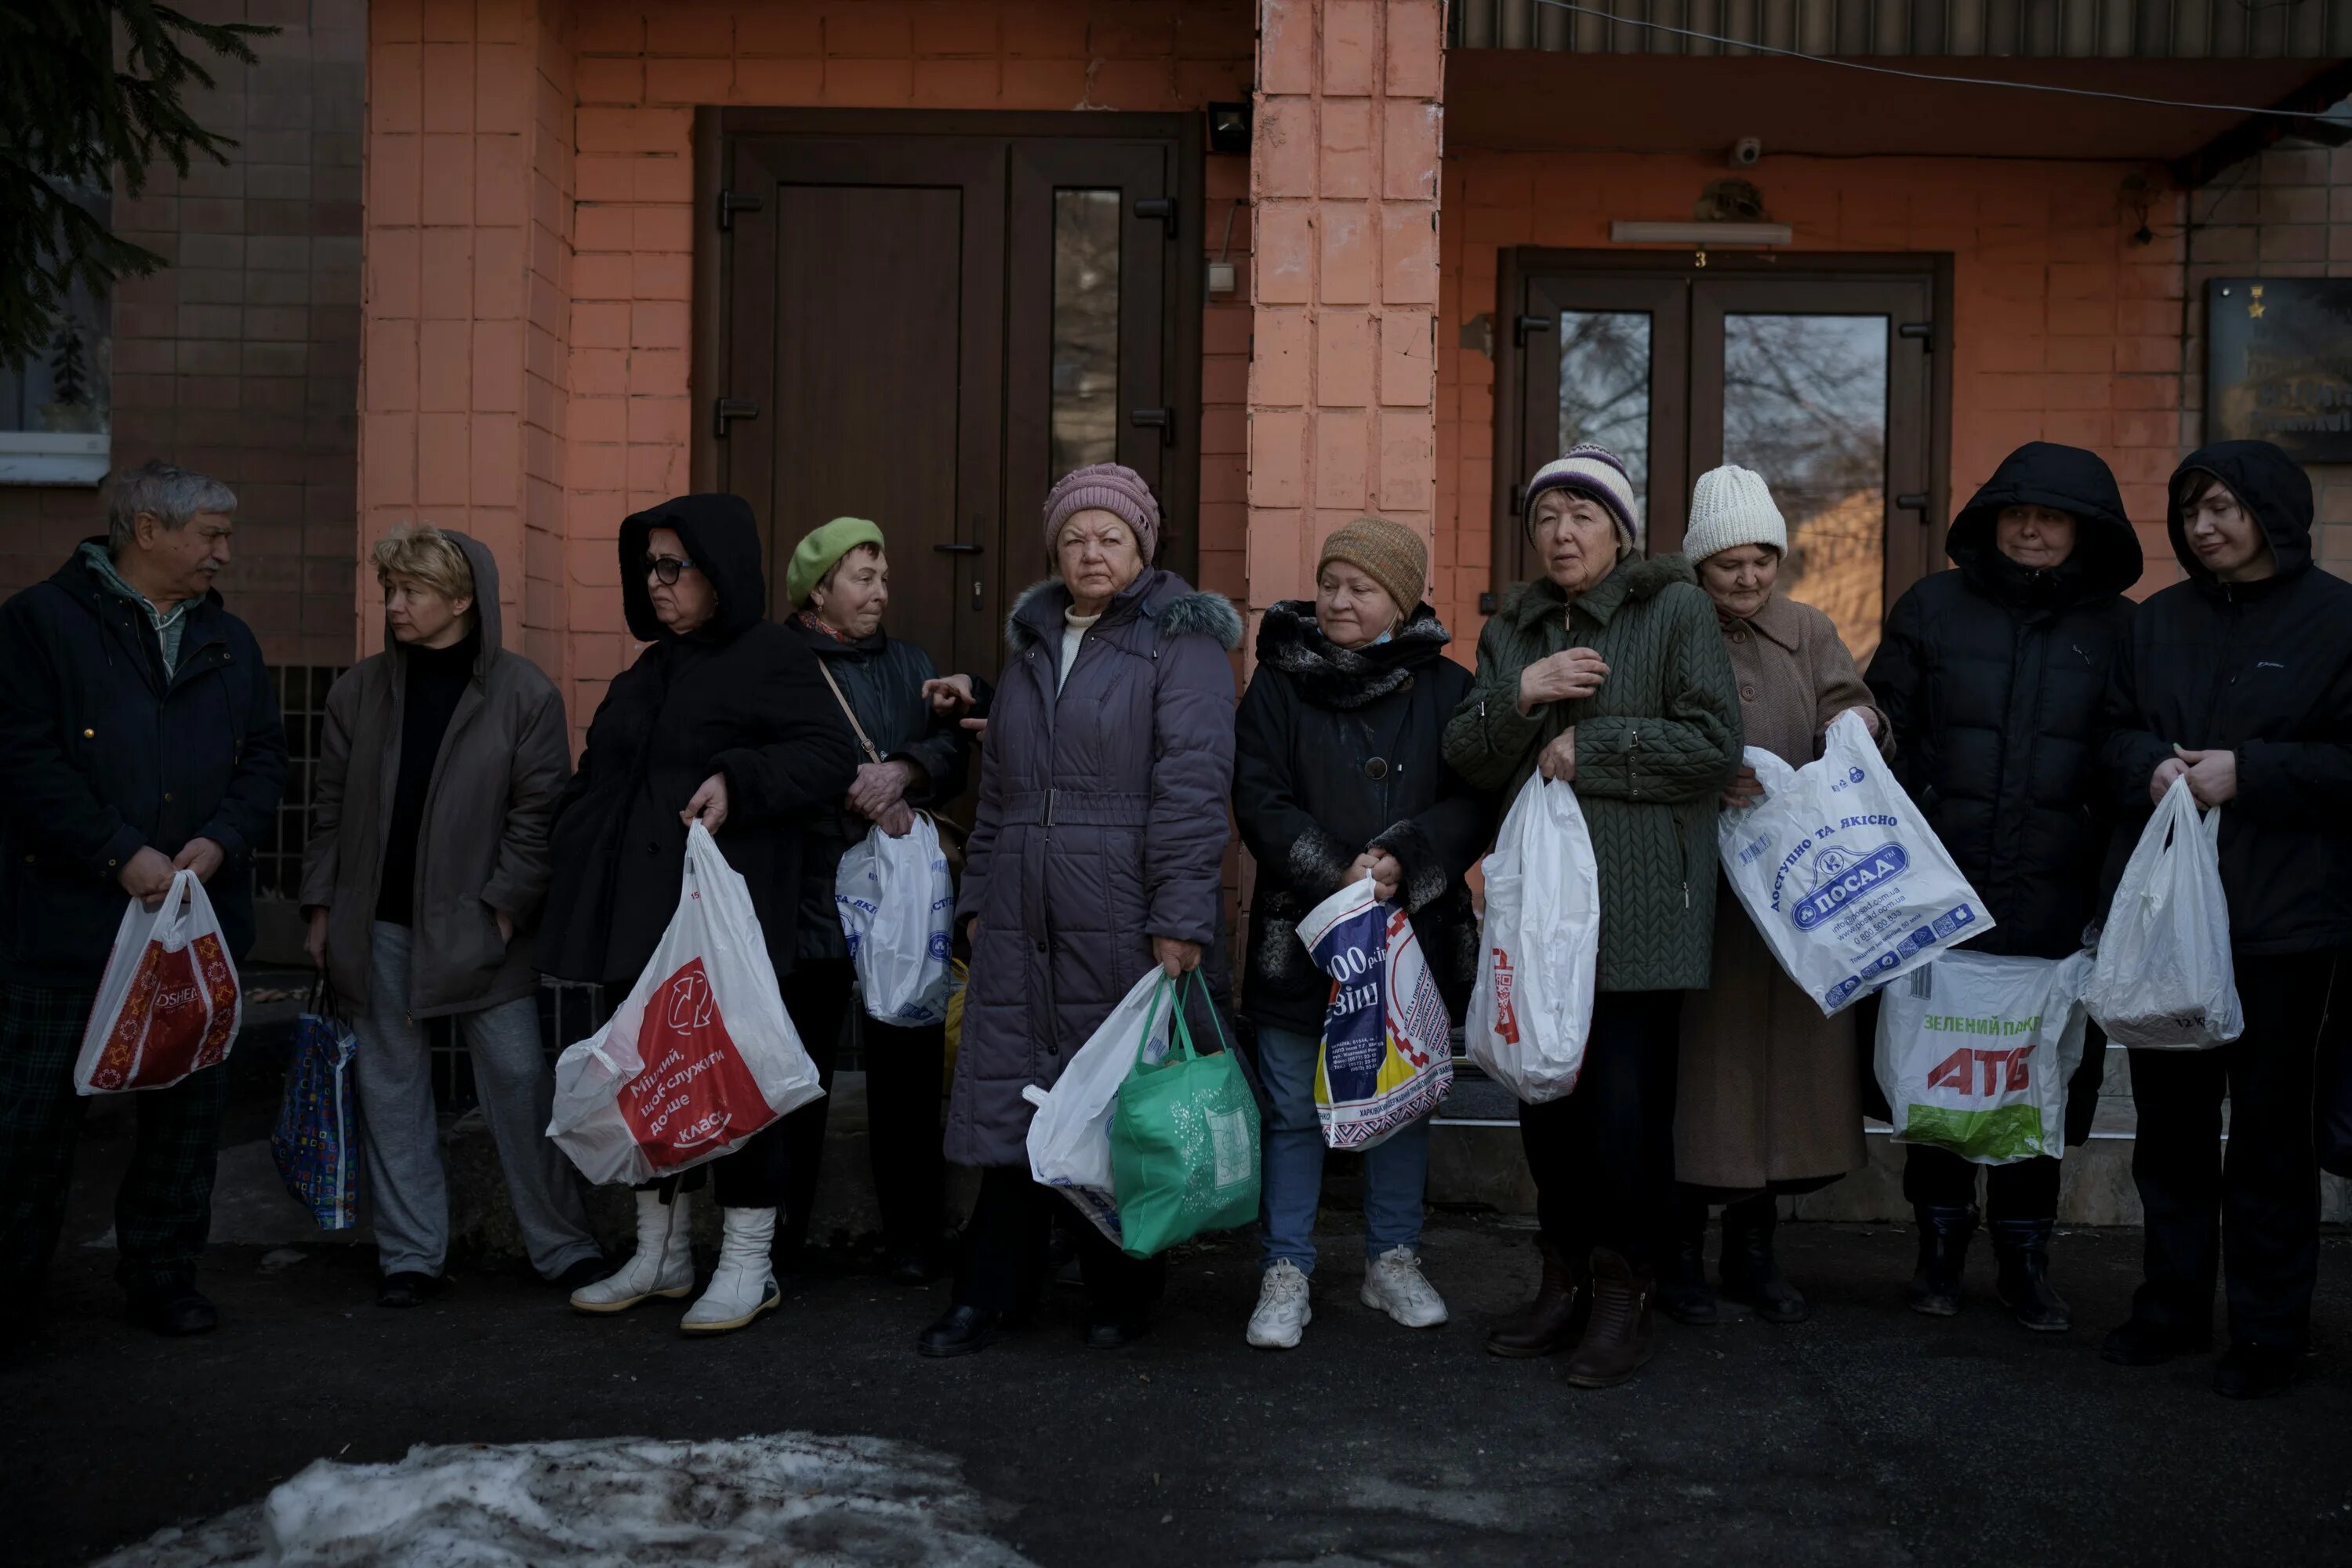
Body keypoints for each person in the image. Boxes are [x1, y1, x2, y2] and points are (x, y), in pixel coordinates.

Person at [919, 463, 1241, 1358]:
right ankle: (991, 1291)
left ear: (1143, 546)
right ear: (1054, 549)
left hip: (1124, 907)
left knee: (1112, 1106)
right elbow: (1002, 794)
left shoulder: (1182, 647)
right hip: (1023, 909)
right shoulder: (1031, 649)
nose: (1091, 551)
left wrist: (1180, 913)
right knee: (1018, 1104)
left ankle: (1123, 1290)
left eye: (1111, 536)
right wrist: (978, 902)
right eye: (1074, 536)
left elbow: (1191, 787)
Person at [1443, 443, 1741, 1388]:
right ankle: (1560, 1277)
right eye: (1546, 517)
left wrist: (1591, 746)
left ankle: (1625, 1292)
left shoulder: (1675, 608)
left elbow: (1712, 744)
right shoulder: (1514, 625)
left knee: (1624, 1116)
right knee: (1547, 1113)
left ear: (1619, 528)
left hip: (1644, 907)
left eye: (1582, 514)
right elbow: (1468, 757)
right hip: (1537, 920)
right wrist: (1522, 694)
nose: (1562, 533)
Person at [539, 493, 859, 1336]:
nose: (658, 583)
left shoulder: (771, 656)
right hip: (635, 923)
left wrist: (736, 779)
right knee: (647, 1084)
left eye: (674, 566)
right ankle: (662, 1253)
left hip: (722, 928)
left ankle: (748, 1262)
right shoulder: (644, 673)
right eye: (648, 567)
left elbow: (827, 756)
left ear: (721, 573)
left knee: (734, 1082)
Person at [0, 462, 287, 1338]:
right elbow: (21, 759)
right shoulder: (39, 625)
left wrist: (225, 838)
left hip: (191, 928)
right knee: (29, 1123)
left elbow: (267, 757)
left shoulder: (229, 640)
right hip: (65, 923)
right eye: (210, 534)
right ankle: (11, 1292)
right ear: (147, 530)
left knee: (185, 1114)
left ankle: (164, 1275)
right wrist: (116, 848)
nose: (224, 554)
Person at [2097, 441, 2352, 1399]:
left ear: (2274, 510)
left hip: (2288, 923)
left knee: (2271, 1136)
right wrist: (2147, 767)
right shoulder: (2156, 622)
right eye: (2192, 508)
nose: (2204, 525)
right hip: (2169, 922)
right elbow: (2110, 730)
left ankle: (2269, 1329)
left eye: (2225, 507)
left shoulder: (2340, 619)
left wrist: (2255, 772)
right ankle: (2168, 1307)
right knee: (2169, 1125)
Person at [1867, 441, 2141, 1330]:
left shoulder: (2121, 629)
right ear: (1990, 520)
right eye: (2016, 512)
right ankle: (1937, 1246)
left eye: (2052, 516)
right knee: (1942, 1070)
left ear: (2084, 531)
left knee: (2039, 1081)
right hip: (1943, 896)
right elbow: (1885, 737)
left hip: (2061, 900)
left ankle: (2027, 1255)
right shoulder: (1933, 608)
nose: (2030, 528)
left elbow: (2131, 760)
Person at [299, 524, 602, 1308]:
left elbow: (539, 813)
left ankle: (562, 1243)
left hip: (484, 929)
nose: (395, 605)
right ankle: (410, 1254)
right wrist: (323, 906)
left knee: (519, 1080)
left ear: (462, 598)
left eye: (412, 591)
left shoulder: (523, 692)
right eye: (389, 590)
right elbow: (328, 807)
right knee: (391, 1087)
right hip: (378, 926)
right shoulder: (356, 690)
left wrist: (504, 909)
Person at [1232, 516, 1489, 1350]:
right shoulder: (1278, 682)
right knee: (1291, 1106)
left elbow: (1475, 799)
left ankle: (1393, 1258)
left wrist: (1402, 858)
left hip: (1411, 930)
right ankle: (1287, 1268)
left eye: (1362, 587)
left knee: (1402, 1104)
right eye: (1330, 581)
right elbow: (1258, 795)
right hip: (1302, 930)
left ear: (1401, 599)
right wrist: (1334, 865)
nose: (1339, 600)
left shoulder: (1451, 690)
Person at [1667, 466, 1885, 1327]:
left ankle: (1754, 1253)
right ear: (1699, 565)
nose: (1749, 577)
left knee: (1780, 1082)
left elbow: (1854, 701)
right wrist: (1706, 772)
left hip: (1798, 889)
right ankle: (1678, 1251)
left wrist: (1859, 724)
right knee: (1697, 1074)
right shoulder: (1673, 625)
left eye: (1762, 559)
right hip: (1701, 890)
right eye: (1729, 563)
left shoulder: (1811, 628)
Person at [780, 516, 981, 1285]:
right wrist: (854, 792)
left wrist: (906, 769)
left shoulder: (912, 663)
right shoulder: (780, 662)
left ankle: (914, 1239)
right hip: (811, 891)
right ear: (820, 586)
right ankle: (781, 1238)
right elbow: (772, 759)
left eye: (884, 577)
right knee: (800, 1074)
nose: (880, 592)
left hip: (900, 898)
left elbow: (952, 752)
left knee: (905, 1067)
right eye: (863, 577)